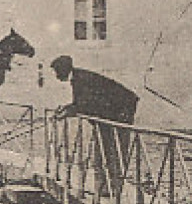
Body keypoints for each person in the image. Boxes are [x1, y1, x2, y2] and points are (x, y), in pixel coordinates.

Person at [50, 55, 139, 196]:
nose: (56, 76)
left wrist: (66, 113)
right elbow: (81, 103)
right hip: (106, 116)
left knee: (116, 152)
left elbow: (83, 104)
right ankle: (106, 188)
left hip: (119, 114)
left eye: (57, 72)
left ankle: (114, 190)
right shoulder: (78, 77)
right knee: (103, 152)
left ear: (64, 69)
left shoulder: (81, 79)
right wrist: (65, 110)